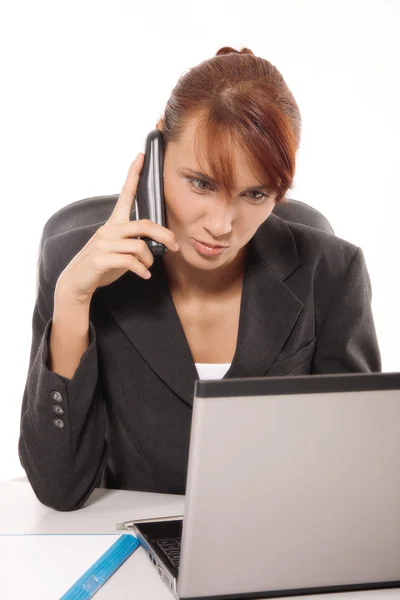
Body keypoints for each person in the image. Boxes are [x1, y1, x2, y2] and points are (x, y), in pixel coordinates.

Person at [18, 47, 381, 512]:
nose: (222, 224)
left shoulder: (330, 273)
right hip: (130, 546)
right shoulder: (72, 265)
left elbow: (357, 475)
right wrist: (72, 300)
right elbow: (59, 490)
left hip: (278, 543)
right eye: (202, 183)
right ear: (155, 153)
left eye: (254, 193)